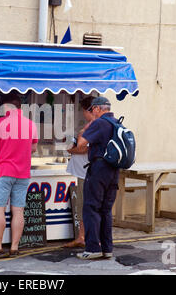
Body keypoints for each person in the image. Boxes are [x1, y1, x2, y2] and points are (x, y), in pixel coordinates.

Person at [0, 92, 38, 259]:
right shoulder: (31, 124)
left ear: (7, 106)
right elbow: (34, 148)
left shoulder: (0, 123)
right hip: (23, 173)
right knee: (18, 210)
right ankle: (14, 248)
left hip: (3, 171)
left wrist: (3, 148)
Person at [72, 96, 119, 260]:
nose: (91, 112)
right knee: (106, 210)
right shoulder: (116, 122)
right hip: (113, 170)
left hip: (98, 168)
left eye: (92, 109)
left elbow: (81, 144)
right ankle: (107, 248)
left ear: (98, 108)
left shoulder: (99, 123)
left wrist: (84, 130)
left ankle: (92, 248)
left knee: (91, 207)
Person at [64, 96, 95, 248]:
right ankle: (82, 236)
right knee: (84, 206)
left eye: (83, 110)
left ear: (89, 110)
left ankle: (87, 237)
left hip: (86, 171)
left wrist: (71, 149)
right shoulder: (94, 125)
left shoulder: (93, 126)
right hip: (84, 171)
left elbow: (83, 148)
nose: (83, 113)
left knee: (86, 206)